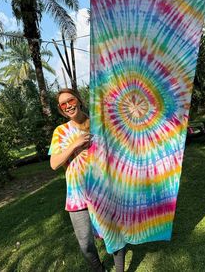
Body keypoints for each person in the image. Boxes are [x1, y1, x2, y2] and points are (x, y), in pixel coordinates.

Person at [49, 88, 125, 272]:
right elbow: (54, 163)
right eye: (63, 104)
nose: (68, 105)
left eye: (71, 100)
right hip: (77, 193)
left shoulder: (98, 124)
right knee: (85, 243)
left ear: (79, 100)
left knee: (113, 234)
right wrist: (74, 145)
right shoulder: (60, 131)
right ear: (61, 109)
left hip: (104, 188)